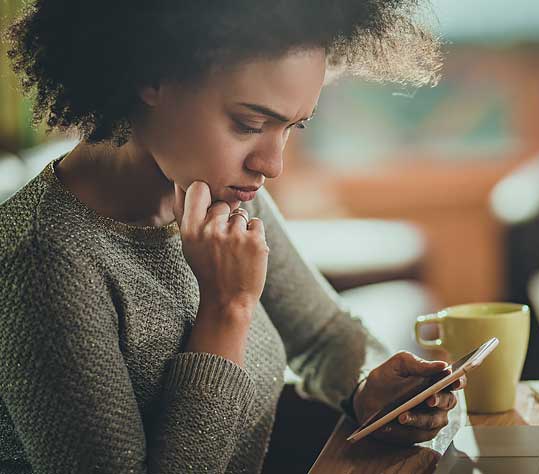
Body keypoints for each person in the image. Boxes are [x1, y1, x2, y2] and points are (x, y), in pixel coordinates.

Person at [0, 1, 464, 472]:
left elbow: (322, 335)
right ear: (152, 75)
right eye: (250, 124)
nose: (272, 164)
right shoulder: (42, 262)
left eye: (293, 126)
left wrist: (368, 386)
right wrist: (225, 311)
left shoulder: (218, 190)